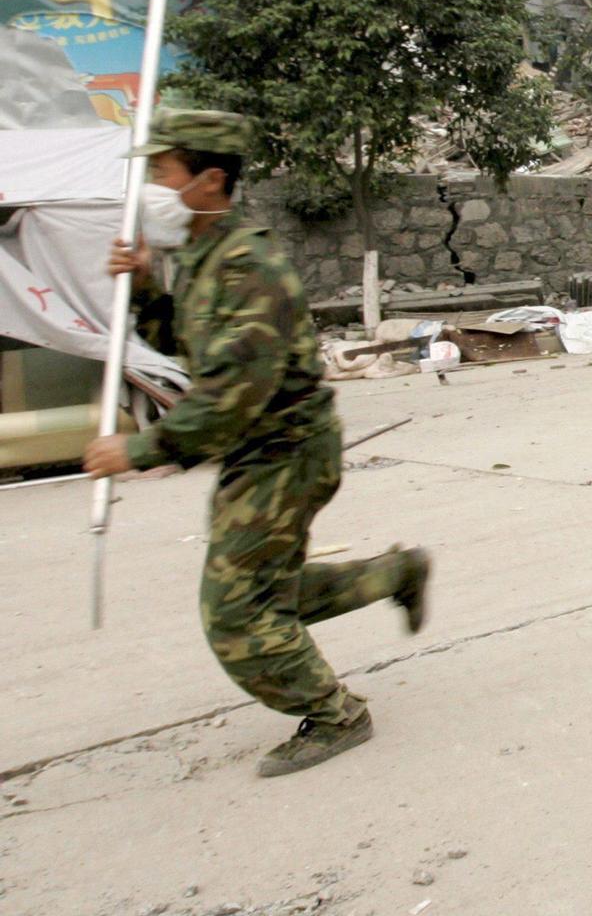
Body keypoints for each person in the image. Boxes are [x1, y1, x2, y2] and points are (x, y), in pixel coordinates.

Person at [82, 109, 429, 778]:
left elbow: (229, 392)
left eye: (162, 173)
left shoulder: (251, 265)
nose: (152, 185)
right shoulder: (208, 254)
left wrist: (140, 452)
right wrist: (149, 287)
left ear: (210, 180)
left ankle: (335, 715)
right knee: (267, 590)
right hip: (263, 449)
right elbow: (190, 348)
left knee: (236, 614)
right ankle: (395, 573)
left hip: (286, 451)